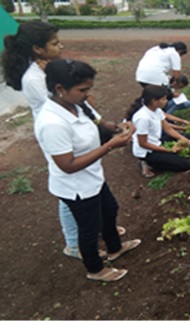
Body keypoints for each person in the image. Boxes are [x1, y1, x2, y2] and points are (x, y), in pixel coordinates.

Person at [1, 21, 125, 260]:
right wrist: (107, 141)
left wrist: (104, 124)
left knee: (92, 194)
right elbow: (67, 105)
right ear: (38, 48)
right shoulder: (35, 81)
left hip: (72, 129)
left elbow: (78, 101)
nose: (61, 46)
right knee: (72, 195)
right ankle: (75, 243)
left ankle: (102, 229)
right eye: (55, 43)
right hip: (60, 135)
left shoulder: (49, 69)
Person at [34, 59, 142, 282]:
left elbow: (99, 122)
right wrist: (110, 145)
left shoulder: (76, 104)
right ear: (60, 89)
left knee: (109, 210)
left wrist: (118, 127)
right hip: (75, 186)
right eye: (83, 89)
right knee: (89, 229)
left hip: (92, 176)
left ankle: (115, 248)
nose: (87, 94)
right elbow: (68, 165)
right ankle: (95, 269)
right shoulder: (52, 123)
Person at [127, 85, 190, 178]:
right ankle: (149, 164)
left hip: (157, 142)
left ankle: (165, 157)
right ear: (154, 101)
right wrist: (169, 150)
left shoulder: (156, 110)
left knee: (188, 136)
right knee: (186, 165)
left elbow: (168, 129)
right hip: (147, 151)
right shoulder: (143, 118)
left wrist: (188, 142)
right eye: (163, 99)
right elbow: (143, 143)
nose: (166, 101)